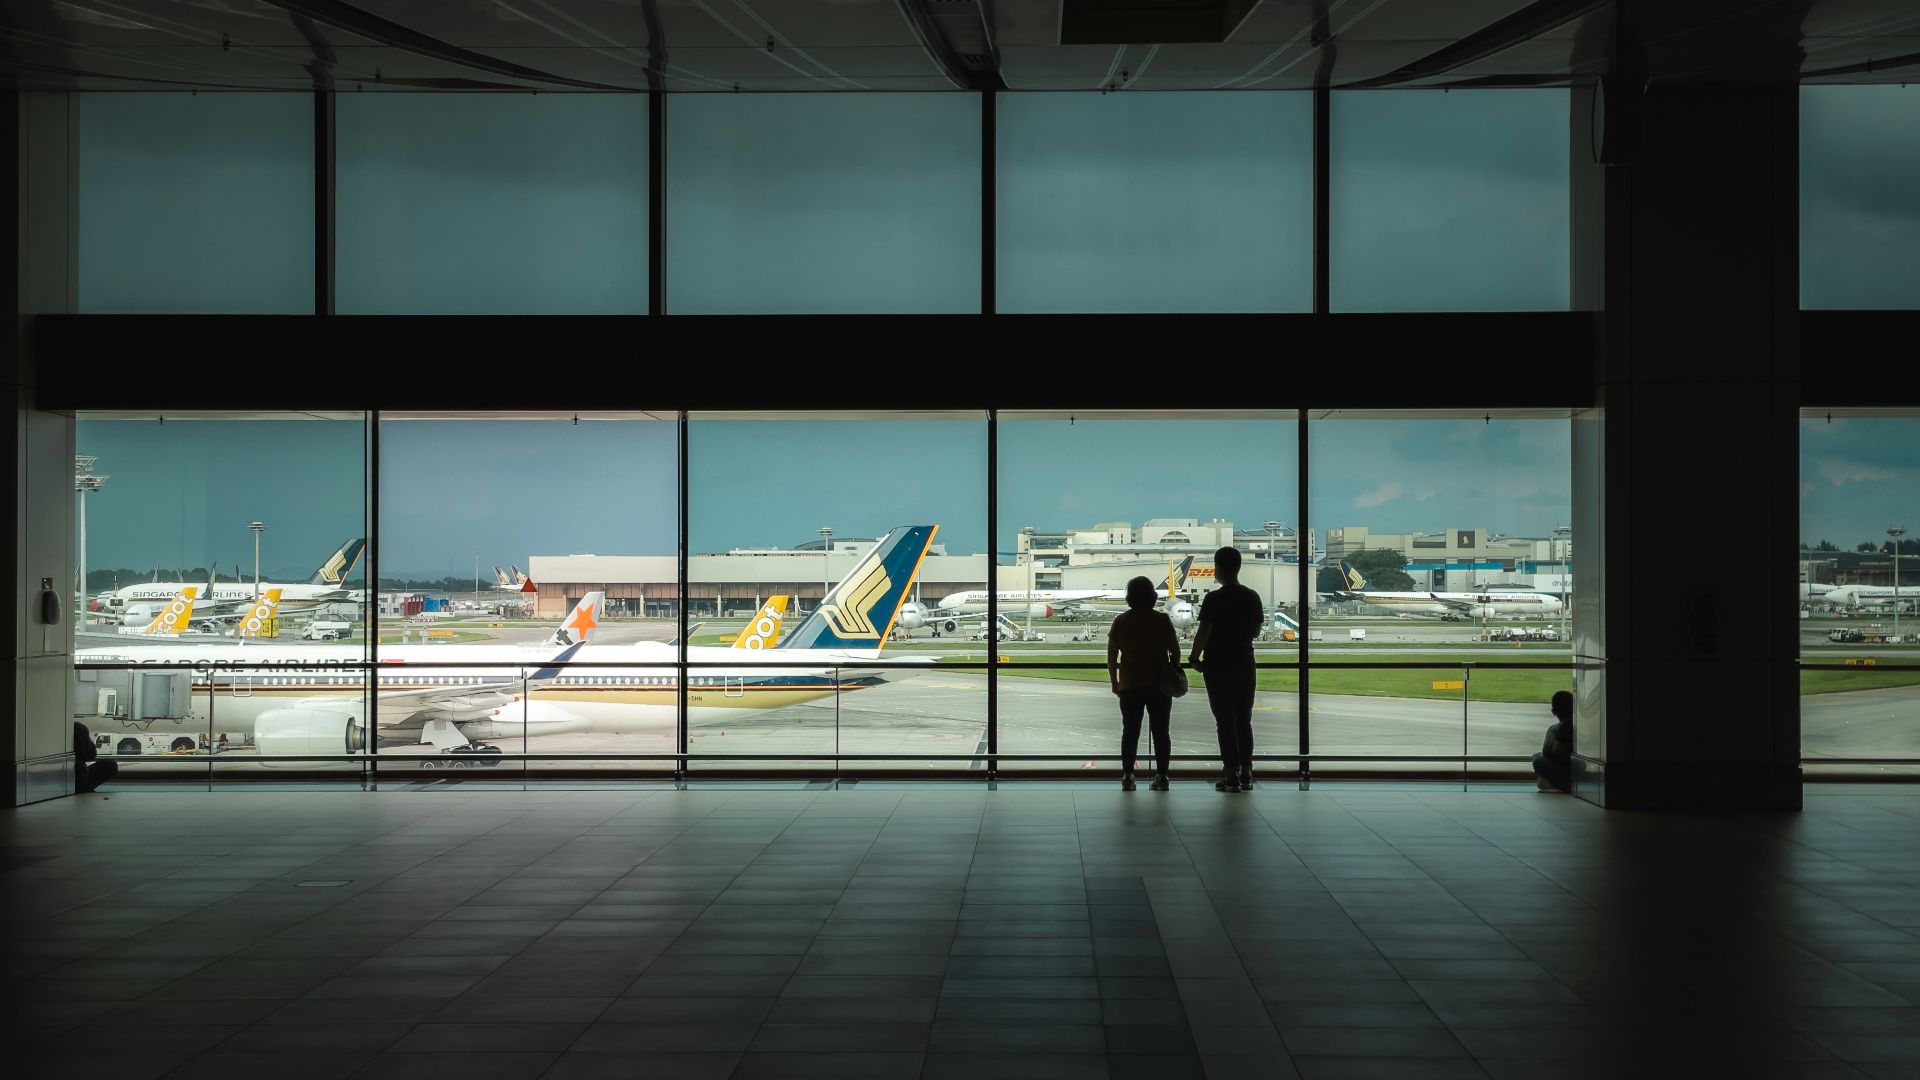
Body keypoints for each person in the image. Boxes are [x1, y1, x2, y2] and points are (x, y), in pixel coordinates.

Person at [1189, 547, 1263, 793]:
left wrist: (1194, 657)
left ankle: (1230, 774)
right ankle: (1246, 772)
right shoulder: (1252, 597)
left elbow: (1204, 631)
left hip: (1218, 665)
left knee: (1224, 721)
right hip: (1244, 662)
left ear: (1217, 568)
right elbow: (1255, 632)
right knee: (1244, 720)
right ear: (1239, 567)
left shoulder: (1214, 599)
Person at [1108, 576, 1181, 791]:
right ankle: (1162, 776)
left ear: (1129, 597)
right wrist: (1170, 671)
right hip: (1159, 684)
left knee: (1130, 731)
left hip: (1130, 684)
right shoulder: (1162, 620)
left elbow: (1112, 657)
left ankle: (1128, 776)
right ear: (1152, 596)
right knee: (1161, 732)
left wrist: (1115, 682)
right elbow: (1175, 653)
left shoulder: (1121, 621)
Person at [1533, 691, 1575, 793]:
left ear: (1554, 711)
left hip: (1568, 771)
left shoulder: (1563, 728)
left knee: (1538, 759)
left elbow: (1552, 753)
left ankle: (1563, 784)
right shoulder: (1577, 723)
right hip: (1578, 767)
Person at [74, 721, 117, 794]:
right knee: (111, 765)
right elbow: (91, 755)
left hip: (63, 778)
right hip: (80, 777)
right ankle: (84, 789)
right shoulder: (78, 727)